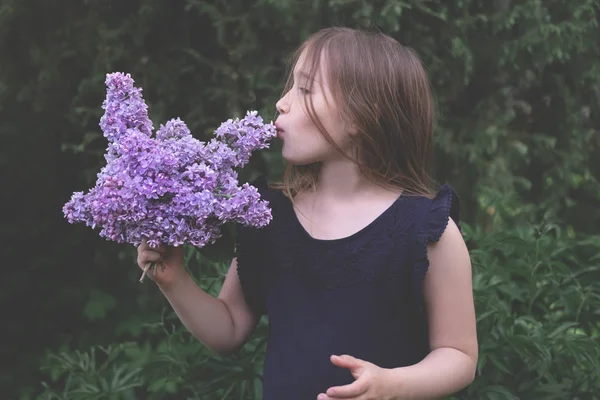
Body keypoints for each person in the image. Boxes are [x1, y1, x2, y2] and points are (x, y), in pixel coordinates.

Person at [137, 27, 478, 400]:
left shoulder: (427, 230)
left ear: (361, 116)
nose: (282, 103)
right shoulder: (266, 217)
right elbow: (228, 330)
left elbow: (458, 355)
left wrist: (392, 386)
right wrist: (174, 280)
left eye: (305, 89)